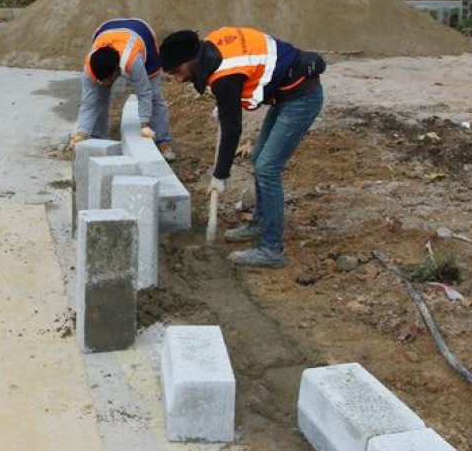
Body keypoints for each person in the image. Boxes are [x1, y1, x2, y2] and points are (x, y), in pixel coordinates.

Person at [158, 27, 326, 269]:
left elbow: (232, 128)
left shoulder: (225, 76)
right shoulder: (212, 46)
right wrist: (226, 104)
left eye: (177, 71)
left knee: (268, 168)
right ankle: (259, 223)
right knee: (259, 159)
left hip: (302, 97)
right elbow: (244, 78)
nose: (178, 78)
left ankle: (271, 248)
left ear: (190, 60)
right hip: (287, 90)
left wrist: (220, 175)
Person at [68, 17, 174, 160]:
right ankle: (98, 137)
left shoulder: (132, 61)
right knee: (98, 96)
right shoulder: (90, 69)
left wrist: (144, 124)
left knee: (154, 95)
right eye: (101, 80)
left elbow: (144, 92)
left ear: (116, 70)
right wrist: (81, 133)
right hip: (105, 30)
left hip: (142, 35)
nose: (105, 84)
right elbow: (89, 103)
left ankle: (163, 141)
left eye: (108, 79)